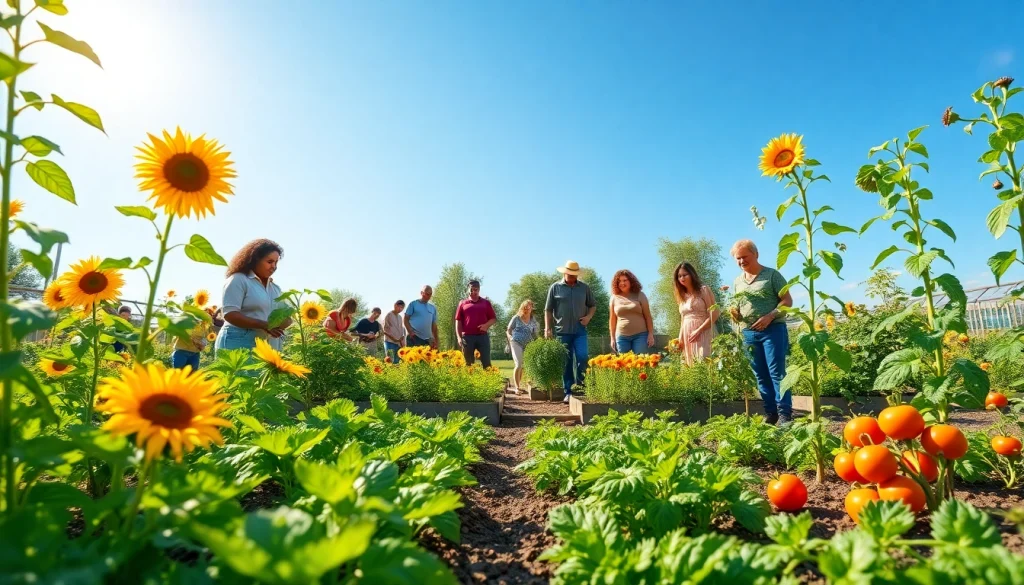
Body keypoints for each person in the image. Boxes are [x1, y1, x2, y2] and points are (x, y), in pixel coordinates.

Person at [730, 239, 794, 425]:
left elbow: (788, 301)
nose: (741, 261)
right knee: (759, 374)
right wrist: (735, 313)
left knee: (776, 372)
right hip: (749, 333)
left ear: (756, 254)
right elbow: (738, 307)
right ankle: (771, 413)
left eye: (744, 257)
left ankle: (785, 415)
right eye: (738, 259)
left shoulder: (772, 275)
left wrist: (770, 316)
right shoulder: (737, 282)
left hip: (773, 330)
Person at [215, 239, 291, 354]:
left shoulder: (275, 289)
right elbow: (230, 314)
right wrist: (263, 325)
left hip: (263, 346)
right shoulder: (238, 280)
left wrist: (282, 323)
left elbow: (287, 316)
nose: (274, 267)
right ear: (255, 260)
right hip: (236, 342)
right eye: (269, 262)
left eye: (276, 263)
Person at [545, 261, 596, 403]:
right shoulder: (555, 288)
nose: (573, 277)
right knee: (566, 362)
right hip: (562, 331)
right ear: (564, 273)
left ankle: (580, 387)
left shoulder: (584, 288)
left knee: (582, 357)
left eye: (575, 275)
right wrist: (547, 328)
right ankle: (568, 391)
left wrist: (588, 317)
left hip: (580, 330)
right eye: (570, 274)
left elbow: (592, 306)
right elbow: (548, 309)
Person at [673, 262, 719, 365]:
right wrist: (680, 339)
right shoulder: (681, 296)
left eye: (685, 275)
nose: (682, 278)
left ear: (692, 274)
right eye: (679, 276)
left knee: (704, 362)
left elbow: (714, 313)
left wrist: (699, 330)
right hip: (687, 335)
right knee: (690, 366)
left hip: (703, 332)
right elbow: (683, 319)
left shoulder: (703, 290)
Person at [608, 269, 655, 354]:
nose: (622, 283)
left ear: (631, 281)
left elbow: (648, 316)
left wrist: (651, 334)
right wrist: (612, 338)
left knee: (641, 364)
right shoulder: (614, 298)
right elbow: (612, 320)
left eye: (625, 280)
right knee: (624, 364)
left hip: (640, 336)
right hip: (622, 337)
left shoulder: (640, 295)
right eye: (619, 281)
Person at [455, 279, 497, 367]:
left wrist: (486, 325)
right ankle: (469, 380)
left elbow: (493, 319)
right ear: (467, 289)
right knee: (468, 364)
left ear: (479, 290)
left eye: (476, 289)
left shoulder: (485, 303)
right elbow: (458, 321)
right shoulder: (462, 303)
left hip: (482, 337)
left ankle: (488, 380)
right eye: (472, 289)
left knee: (486, 363)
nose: (474, 291)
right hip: (467, 337)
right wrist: (459, 338)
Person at [506, 299, 539, 394]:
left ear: (532, 308)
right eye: (526, 307)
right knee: (518, 364)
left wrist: (538, 341)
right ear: (523, 307)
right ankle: (516, 388)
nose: (528, 308)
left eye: (530, 306)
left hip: (528, 344)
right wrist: (510, 337)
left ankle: (520, 385)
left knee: (525, 366)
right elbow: (508, 330)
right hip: (516, 342)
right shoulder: (516, 318)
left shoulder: (533, 320)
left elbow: (535, 333)